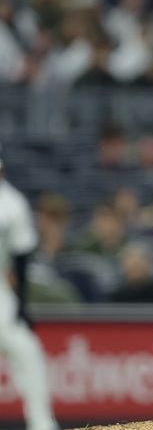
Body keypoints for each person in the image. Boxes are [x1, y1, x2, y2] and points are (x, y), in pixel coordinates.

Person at [0, 148, 59, 430]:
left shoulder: (11, 202)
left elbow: (22, 258)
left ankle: (41, 423)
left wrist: (22, 305)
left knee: (27, 350)